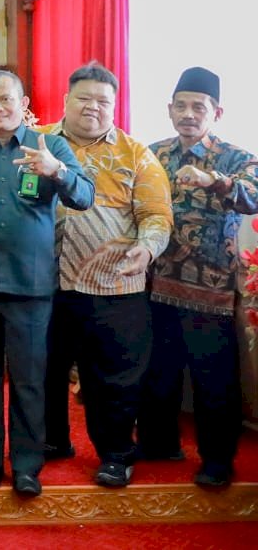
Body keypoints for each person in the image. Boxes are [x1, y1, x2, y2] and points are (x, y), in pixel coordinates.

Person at [0, 70, 93, 497]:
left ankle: (27, 468)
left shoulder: (50, 145)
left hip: (31, 287)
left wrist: (57, 171)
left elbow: (84, 196)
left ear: (24, 103)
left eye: (6, 99)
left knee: (29, 380)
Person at [41, 62, 172, 488]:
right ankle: (50, 441)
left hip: (114, 284)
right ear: (67, 100)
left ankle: (116, 454)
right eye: (84, 98)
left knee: (112, 377)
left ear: (114, 106)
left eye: (103, 101)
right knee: (42, 367)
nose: (93, 107)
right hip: (43, 282)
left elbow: (156, 215)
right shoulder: (37, 143)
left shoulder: (136, 154)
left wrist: (146, 248)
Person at [139, 67, 258, 488]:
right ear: (169, 109)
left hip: (211, 290)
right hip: (156, 283)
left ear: (216, 112)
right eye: (181, 106)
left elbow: (252, 196)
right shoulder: (152, 154)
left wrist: (215, 181)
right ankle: (158, 443)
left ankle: (217, 460)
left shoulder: (235, 157)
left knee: (214, 379)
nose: (188, 114)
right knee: (158, 369)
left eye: (199, 107)